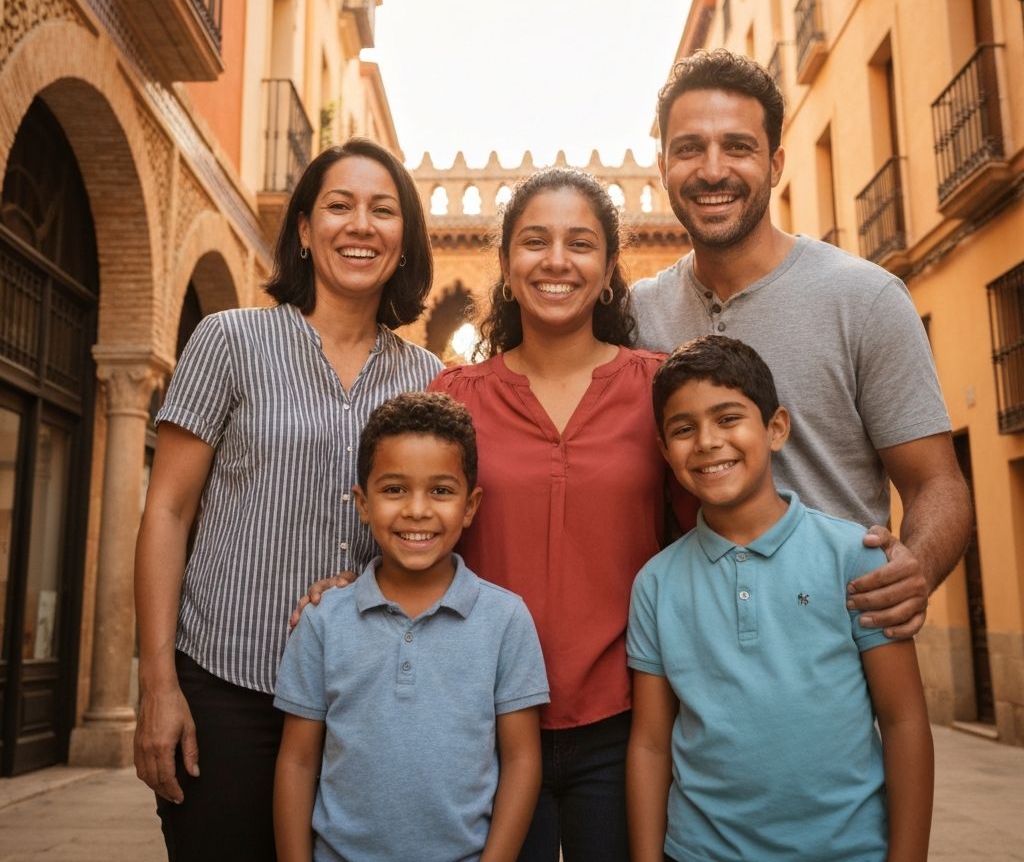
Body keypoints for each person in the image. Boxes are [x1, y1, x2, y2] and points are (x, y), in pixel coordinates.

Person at [133, 138, 442, 862]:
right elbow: (168, 512)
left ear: (404, 241)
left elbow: (432, 533)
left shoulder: (429, 377)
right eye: (339, 206)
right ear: (304, 230)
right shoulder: (228, 341)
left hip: (362, 698)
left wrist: (366, 581)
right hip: (226, 686)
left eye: (382, 211)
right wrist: (157, 685)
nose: (360, 224)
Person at [632, 48, 972, 637]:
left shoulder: (865, 299)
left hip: (834, 664)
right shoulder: (637, 314)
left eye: (738, 146)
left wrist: (914, 571)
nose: (713, 170)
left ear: (775, 163)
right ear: (662, 165)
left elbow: (936, 484)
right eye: (689, 148)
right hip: (690, 667)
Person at [428, 167, 696, 862]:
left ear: (609, 270)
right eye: (534, 242)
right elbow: (412, 536)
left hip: (626, 725)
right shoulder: (454, 397)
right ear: (507, 267)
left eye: (579, 243)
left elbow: (706, 535)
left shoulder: (658, 389)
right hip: (480, 724)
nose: (555, 261)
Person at [627, 335, 934, 862]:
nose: (706, 441)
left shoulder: (854, 556)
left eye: (728, 418)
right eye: (684, 429)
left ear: (776, 429)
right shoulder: (656, 582)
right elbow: (651, 743)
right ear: (664, 450)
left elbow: (904, 720)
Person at [274, 392, 549, 862]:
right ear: (363, 503)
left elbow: (522, 761)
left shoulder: (505, 620)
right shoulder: (323, 620)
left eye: (440, 490)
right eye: (394, 489)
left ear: (469, 505)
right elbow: (297, 761)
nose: (417, 510)